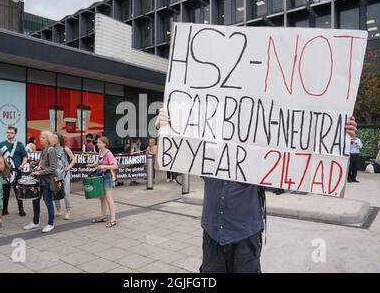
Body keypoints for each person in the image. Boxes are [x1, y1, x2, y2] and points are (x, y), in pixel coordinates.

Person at [155, 108, 358, 273]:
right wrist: (165, 129)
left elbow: (296, 164)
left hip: (245, 237)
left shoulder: (260, 153)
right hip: (212, 236)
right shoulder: (208, 149)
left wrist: (339, 138)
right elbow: (180, 152)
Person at [23, 131, 58, 233]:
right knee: (35, 200)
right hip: (40, 180)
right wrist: (36, 164)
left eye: (42, 137)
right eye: (40, 137)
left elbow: (52, 168)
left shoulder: (51, 150)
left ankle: (50, 224)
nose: (40, 139)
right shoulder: (44, 149)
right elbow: (43, 163)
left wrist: (39, 172)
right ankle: (35, 222)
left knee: (48, 202)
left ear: (47, 139)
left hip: (47, 181)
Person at [88, 136, 118, 227]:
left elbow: (115, 166)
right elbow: (99, 163)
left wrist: (105, 167)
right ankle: (103, 216)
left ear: (105, 144)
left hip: (107, 177)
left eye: (100, 142)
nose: (98, 144)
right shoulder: (100, 152)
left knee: (109, 199)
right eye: (97, 142)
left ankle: (113, 220)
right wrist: (92, 165)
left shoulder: (109, 154)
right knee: (101, 198)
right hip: (100, 177)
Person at [0, 126, 28, 216]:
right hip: (6, 171)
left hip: (17, 171)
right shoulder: (1, 144)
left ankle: (21, 209)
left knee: (18, 191)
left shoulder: (19, 145)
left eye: (11, 132)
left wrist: (22, 165)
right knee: (5, 191)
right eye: (8, 132)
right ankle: (4, 210)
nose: (9, 134)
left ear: (15, 134)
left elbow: (25, 157)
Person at [52, 132, 77, 220]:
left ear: (59, 139)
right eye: (52, 137)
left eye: (55, 137)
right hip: (55, 174)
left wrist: (69, 167)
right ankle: (58, 210)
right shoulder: (51, 149)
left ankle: (68, 211)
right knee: (55, 192)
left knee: (66, 192)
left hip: (65, 174)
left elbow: (74, 159)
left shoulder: (64, 148)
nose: (53, 139)